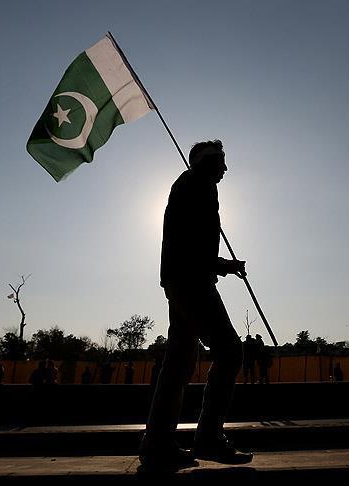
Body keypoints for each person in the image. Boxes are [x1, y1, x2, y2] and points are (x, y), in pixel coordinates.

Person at [139, 140, 252, 469]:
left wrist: (223, 265)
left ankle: (157, 443)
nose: (226, 168)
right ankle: (208, 438)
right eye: (222, 161)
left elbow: (189, 245)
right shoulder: (199, 186)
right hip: (192, 283)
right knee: (229, 352)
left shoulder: (188, 185)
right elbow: (193, 249)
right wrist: (222, 265)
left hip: (179, 281)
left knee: (178, 362)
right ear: (208, 161)